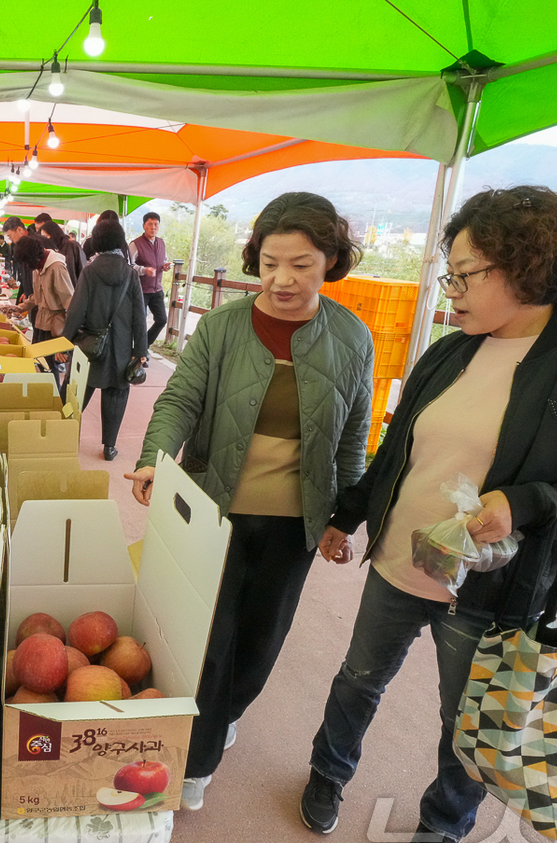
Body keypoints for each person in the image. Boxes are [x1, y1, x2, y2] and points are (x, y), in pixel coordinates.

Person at [300, 186, 557, 843]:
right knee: (358, 677)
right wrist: (347, 513)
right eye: (452, 271)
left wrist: (528, 502)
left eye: (465, 273)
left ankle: (442, 823)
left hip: (494, 587)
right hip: (399, 563)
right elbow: (396, 454)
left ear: (526, 268)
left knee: (465, 719)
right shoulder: (448, 354)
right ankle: (328, 770)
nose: (453, 289)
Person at [125, 193, 374, 811]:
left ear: (331, 261)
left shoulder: (351, 337)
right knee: (210, 637)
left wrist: (345, 518)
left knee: (262, 642)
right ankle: (196, 762)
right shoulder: (223, 326)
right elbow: (180, 397)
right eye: (269, 263)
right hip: (214, 509)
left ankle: (225, 714)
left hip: (297, 522)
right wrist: (155, 459)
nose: (282, 279)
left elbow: (352, 434)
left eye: (301, 265)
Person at [62, 219, 147, 461]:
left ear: (97, 241)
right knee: (116, 393)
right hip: (121, 347)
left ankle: (67, 437)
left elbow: (76, 310)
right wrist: (141, 350)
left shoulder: (90, 271)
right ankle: (109, 447)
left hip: (91, 344)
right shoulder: (130, 274)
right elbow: (140, 315)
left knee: (80, 389)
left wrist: (66, 341)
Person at [13, 234, 75, 392]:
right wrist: (21, 307)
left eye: (27, 262)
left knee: (50, 366)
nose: (27, 266)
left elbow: (70, 303)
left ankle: (53, 399)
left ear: (33, 258)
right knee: (39, 361)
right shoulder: (38, 267)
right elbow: (38, 297)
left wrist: (64, 342)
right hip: (41, 322)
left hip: (56, 325)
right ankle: (41, 394)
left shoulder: (56, 267)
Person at [130, 211, 169, 351]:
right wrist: (144, 270)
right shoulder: (135, 244)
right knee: (140, 322)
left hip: (157, 289)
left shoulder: (161, 243)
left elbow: (163, 260)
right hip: (141, 290)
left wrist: (165, 266)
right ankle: (141, 352)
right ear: (144, 226)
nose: (153, 227)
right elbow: (129, 265)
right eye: (150, 224)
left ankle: (143, 346)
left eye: (156, 224)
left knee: (162, 320)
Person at [42, 220, 85, 284]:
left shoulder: (73, 246)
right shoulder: (48, 251)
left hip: (73, 289)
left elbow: (82, 269)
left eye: (46, 236)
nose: (46, 239)